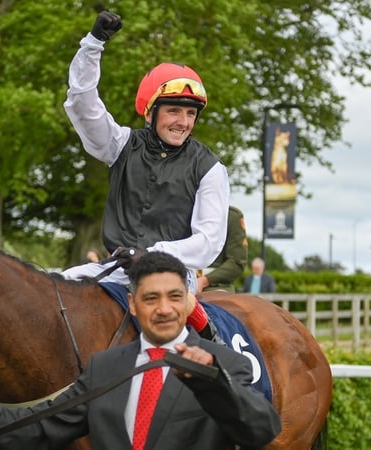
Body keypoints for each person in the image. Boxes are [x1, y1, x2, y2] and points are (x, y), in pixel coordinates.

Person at [0, 252, 281, 449]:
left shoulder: (226, 364)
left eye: (174, 297)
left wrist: (212, 383)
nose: (164, 308)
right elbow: (42, 425)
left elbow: (261, 430)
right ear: (133, 305)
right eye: (151, 298)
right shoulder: (104, 368)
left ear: (188, 303)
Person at [59, 11, 230, 343]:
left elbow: (209, 242)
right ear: (151, 112)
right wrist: (93, 45)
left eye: (190, 113)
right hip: (114, 270)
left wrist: (153, 253)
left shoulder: (210, 168)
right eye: (174, 111)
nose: (183, 121)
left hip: (173, 275)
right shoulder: (121, 145)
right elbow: (82, 104)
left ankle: (214, 355)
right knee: (51, 289)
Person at [196, 206, 247, 292]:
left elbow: (236, 263)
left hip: (215, 286)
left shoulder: (231, 216)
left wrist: (204, 280)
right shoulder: (177, 213)